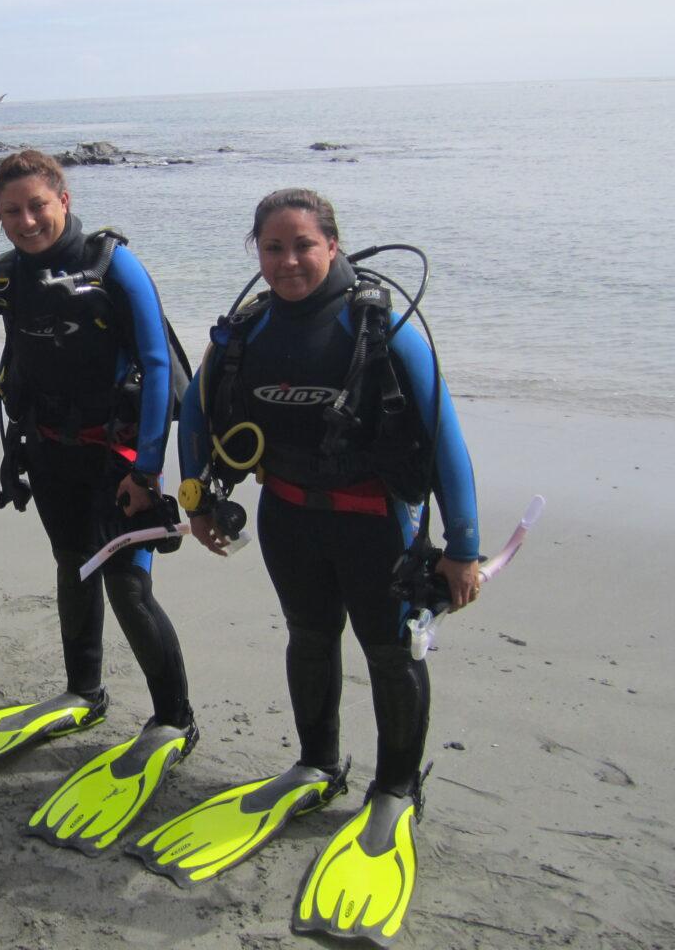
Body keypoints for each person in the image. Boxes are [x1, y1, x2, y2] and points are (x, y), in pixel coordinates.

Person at [156, 187, 478, 942]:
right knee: (307, 637)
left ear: (332, 244)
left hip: (377, 525)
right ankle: (316, 764)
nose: (290, 261)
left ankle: (396, 789)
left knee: (389, 653)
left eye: (304, 245)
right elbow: (198, 414)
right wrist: (197, 501)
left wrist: (462, 548)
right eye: (274, 248)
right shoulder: (244, 333)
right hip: (288, 514)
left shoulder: (381, 329)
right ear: (256, 254)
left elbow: (446, 439)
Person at [0, 149, 197, 853]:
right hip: (49, 449)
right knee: (71, 567)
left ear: (64, 197)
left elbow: (157, 365)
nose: (27, 221)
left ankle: (175, 717)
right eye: (12, 212)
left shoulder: (111, 263)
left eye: (38, 206)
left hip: (117, 456)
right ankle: (83, 693)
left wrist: (148, 468)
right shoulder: (1, 271)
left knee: (127, 586)